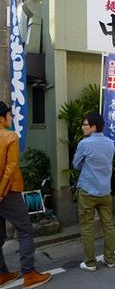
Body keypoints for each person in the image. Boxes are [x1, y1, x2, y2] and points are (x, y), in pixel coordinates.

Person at [0, 101, 52, 288]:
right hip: (8, 192)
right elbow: (10, 167)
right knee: (25, 229)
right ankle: (29, 274)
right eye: (8, 114)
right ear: (2, 117)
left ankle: (2, 274)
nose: (11, 117)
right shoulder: (10, 136)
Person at [73, 112, 115, 271]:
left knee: (87, 227)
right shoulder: (110, 143)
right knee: (108, 225)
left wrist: (86, 162)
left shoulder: (84, 144)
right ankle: (110, 259)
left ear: (93, 126)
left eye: (85, 124)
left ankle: (90, 263)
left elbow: (76, 165)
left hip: (87, 191)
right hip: (105, 191)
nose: (83, 127)